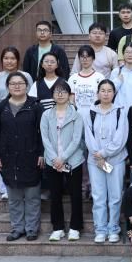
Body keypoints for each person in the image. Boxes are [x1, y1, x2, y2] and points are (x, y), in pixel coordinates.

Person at [0, 72, 43, 241]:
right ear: (8, 87)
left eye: (20, 83)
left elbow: (44, 131)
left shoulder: (35, 106)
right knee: (14, 198)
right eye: (13, 83)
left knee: (32, 196)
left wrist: (42, 153)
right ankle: (17, 228)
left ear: (27, 85)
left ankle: (32, 229)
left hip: (31, 156)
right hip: (8, 157)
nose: (17, 86)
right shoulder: (1, 108)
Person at [83, 79, 128, 243]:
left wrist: (103, 153)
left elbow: (120, 138)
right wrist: (98, 155)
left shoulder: (120, 112)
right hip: (94, 161)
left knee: (115, 196)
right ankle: (100, 229)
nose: (106, 94)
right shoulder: (90, 112)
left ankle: (113, 228)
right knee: (98, 196)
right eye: (103, 90)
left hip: (115, 160)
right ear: (98, 93)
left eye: (109, 91)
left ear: (114, 93)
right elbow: (88, 137)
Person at [40, 80, 85, 242]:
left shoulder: (76, 115)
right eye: (57, 91)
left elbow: (76, 139)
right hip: (52, 161)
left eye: (63, 91)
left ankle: (75, 227)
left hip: (73, 161)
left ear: (69, 95)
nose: (60, 94)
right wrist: (54, 158)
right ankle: (57, 228)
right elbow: (45, 138)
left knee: (75, 195)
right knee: (55, 195)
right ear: (52, 95)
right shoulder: (46, 115)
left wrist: (63, 158)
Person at [0, 47, 33, 200]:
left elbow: (32, 97)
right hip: (4, 119)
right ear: (2, 60)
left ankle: (23, 184)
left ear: (18, 60)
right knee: (3, 152)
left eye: (13, 58)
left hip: (24, 118)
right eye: (6, 58)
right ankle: (4, 188)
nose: (9, 61)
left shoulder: (25, 76)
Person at [68, 45, 105, 111]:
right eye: (82, 56)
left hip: (95, 114)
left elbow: (102, 99)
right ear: (79, 58)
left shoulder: (100, 77)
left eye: (88, 56)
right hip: (77, 115)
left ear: (93, 58)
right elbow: (71, 101)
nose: (85, 59)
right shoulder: (73, 78)